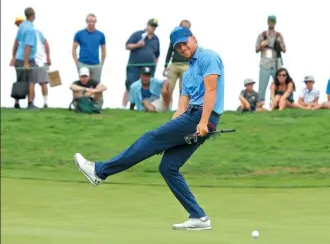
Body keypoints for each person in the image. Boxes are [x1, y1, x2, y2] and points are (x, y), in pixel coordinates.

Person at [74, 25, 224, 231]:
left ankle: (100, 171)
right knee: (167, 167)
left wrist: (202, 121)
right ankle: (199, 216)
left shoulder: (208, 57)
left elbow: (211, 89)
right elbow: (181, 107)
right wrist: (169, 131)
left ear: (193, 39)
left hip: (202, 117)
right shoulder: (188, 74)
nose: (182, 48)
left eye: (184, 43)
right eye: (178, 46)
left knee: (150, 138)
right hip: (192, 117)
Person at [124, 18, 160, 109]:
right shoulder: (138, 34)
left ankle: (147, 105)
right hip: (134, 65)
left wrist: (155, 65)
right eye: (151, 25)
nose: (153, 28)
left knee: (147, 86)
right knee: (131, 84)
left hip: (149, 66)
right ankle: (129, 106)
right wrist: (137, 45)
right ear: (147, 25)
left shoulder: (156, 39)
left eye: (154, 26)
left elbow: (157, 55)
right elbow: (127, 46)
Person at [11, 7, 39, 109]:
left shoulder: (22, 26)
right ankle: (30, 103)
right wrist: (26, 63)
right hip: (27, 60)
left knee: (19, 80)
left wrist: (13, 57)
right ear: (33, 15)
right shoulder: (30, 29)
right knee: (31, 81)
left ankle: (16, 103)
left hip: (18, 59)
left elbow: (16, 42)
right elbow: (28, 47)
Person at [255, 15, 286, 105]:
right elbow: (256, 50)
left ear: (275, 23)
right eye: (270, 21)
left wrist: (280, 43)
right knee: (262, 86)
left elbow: (284, 50)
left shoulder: (279, 35)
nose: (271, 23)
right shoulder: (262, 35)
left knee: (279, 84)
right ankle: (261, 104)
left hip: (276, 63)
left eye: (273, 21)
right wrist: (262, 45)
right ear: (267, 22)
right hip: (265, 63)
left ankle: (278, 103)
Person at [72, 13, 106, 83]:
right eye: (89, 21)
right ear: (86, 21)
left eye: (93, 21)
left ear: (95, 22)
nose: (91, 23)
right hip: (83, 64)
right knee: (84, 85)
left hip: (96, 65)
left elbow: (103, 49)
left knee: (96, 86)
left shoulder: (101, 35)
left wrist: (101, 63)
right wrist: (77, 63)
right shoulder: (79, 34)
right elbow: (73, 49)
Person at [163, 20, 191, 97]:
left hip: (186, 66)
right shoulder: (174, 38)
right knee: (169, 87)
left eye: (187, 27)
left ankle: (181, 108)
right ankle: (167, 107)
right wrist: (165, 66)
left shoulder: (191, 39)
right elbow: (169, 52)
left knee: (183, 89)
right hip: (174, 65)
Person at [9, 16, 25, 108]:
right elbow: (15, 46)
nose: (19, 25)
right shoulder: (19, 34)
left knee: (29, 81)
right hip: (19, 60)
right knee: (19, 80)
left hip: (27, 60)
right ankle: (16, 102)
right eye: (18, 23)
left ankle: (30, 103)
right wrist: (13, 58)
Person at [34, 29, 51, 108]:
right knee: (31, 83)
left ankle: (46, 102)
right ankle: (31, 103)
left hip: (42, 60)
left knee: (43, 82)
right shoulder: (23, 34)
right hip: (31, 61)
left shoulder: (38, 32)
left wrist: (48, 58)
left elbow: (46, 44)